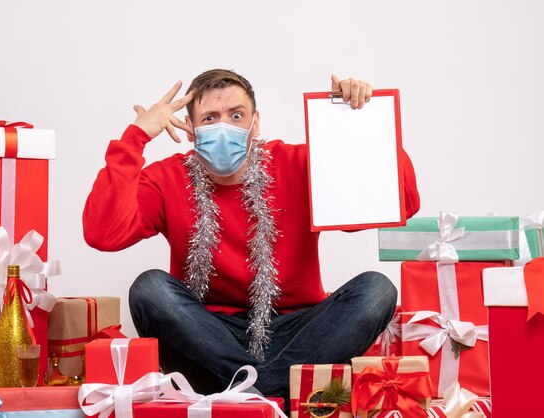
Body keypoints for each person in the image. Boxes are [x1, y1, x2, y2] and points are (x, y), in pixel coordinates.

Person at [83, 69, 420, 403]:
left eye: (236, 115)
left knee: (376, 289)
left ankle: (250, 394)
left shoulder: (298, 163)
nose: (224, 126)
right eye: (211, 118)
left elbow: (402, 198)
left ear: (255, 123)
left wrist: (359, 120)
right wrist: (136, 137)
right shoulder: (167, 177)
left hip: (298, 332)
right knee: (149, 288)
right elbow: (103, 233)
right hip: (209, 334)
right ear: (191, 129)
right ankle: (277, 393)